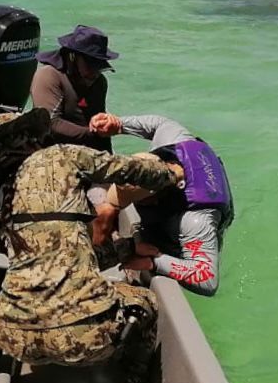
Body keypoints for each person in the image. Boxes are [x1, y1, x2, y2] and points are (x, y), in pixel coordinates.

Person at [0, 108, 182, 383]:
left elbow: (51, 262)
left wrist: (126, 249)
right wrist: (170, 172)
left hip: (19, 342)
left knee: (2, 311)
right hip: (88, 339)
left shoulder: (5, 202)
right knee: (145, 306)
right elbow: (126, 169)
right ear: (29, 137)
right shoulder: (61, 156)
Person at [88, 113, 234, 297]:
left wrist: (154, 262)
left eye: (134, 200)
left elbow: (208, 280)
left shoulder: (196, 222)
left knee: (172, 246)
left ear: (153, 198)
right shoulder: (174, 139)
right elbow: (159, 124)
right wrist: (119, 125)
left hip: (196, 212)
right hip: (190, 176)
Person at [30, 25, 123, 151]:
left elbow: (100, 131)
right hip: (52, 153)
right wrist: (93, 133)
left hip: (88, 152)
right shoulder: (49, 76)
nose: (95, 73)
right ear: (72, 57)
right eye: (90, 65)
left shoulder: (99, 82)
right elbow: (50, 123)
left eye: (99, 67)